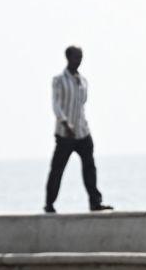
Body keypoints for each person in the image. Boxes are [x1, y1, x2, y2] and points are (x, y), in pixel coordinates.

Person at [44, 46, 112, 213]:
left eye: (81, 57)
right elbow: (56, 104)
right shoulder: (59, 80)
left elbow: (81, 106)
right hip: (65, 133)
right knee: (57, 168)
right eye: (76, 57)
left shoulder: (83, 81)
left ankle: (95, 202)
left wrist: (82, 127)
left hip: (82, 132)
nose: (79, 60)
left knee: (89, 166)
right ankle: (49, 203)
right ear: (68, 58)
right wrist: (65, 123)